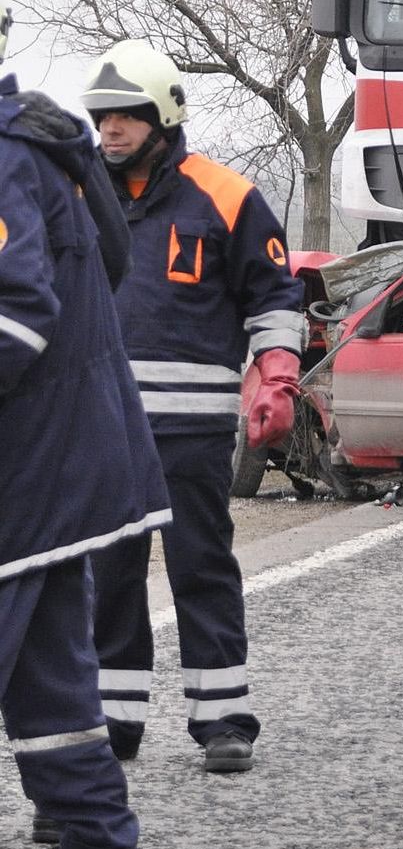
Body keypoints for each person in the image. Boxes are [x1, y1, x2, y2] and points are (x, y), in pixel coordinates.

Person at [79, 39, 304, 774]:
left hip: (193, 432)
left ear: (164, 117)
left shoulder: (228, 196)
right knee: (107, 578)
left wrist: (277, 376)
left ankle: (223, 721)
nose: (110, 129)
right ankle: (114, 723)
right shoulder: (76, 197)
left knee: (200, 568)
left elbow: (275, 298)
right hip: (103, 427)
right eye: (102, 117)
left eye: (126, 116)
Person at [0, 6, 172, 849]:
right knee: (49, 679)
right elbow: (108, 263)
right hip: (74, 455)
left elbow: (16, 313)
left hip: (29, 465)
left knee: (44, 665)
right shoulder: (43, 141)